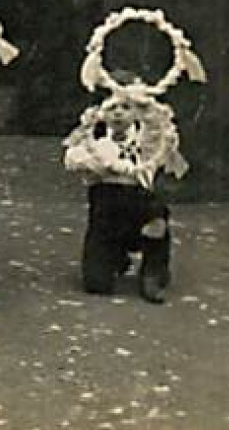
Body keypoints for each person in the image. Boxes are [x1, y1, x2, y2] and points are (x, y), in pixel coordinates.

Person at [63, 77, 188, 304]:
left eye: (126, 108)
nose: (119, 114)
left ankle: (153, 269)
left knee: (155, 218)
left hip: (141, 207)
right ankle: (115, 257)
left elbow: (156, 146)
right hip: (106, 213)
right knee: (96, 285)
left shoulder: (146, 139)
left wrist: (147, 107)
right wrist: (107, 163)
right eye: (112, 108)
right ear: (101, 112)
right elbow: (73, 160)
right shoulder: (94, 136)